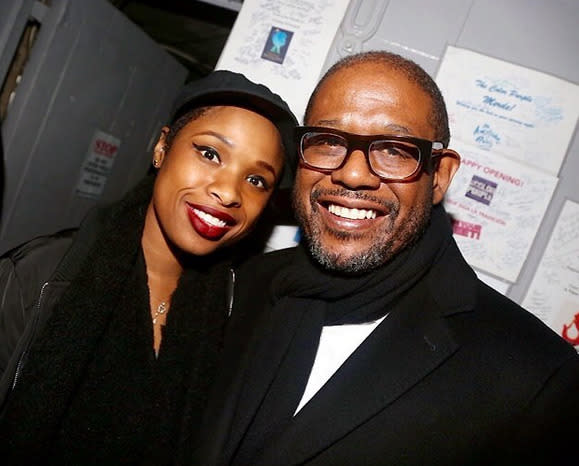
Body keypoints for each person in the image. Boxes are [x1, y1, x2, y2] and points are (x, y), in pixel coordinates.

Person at [194, 52, 579, 465]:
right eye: (327, 141)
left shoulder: (534, 377)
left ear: (440, 176)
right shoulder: (245, 285)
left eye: (394, 150)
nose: (354, 175)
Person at [0, 70, 297, 465]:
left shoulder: (236, 317)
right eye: (210, 154)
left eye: (257, 179)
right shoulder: (37, 278)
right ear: (161, 148)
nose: (228, 192)